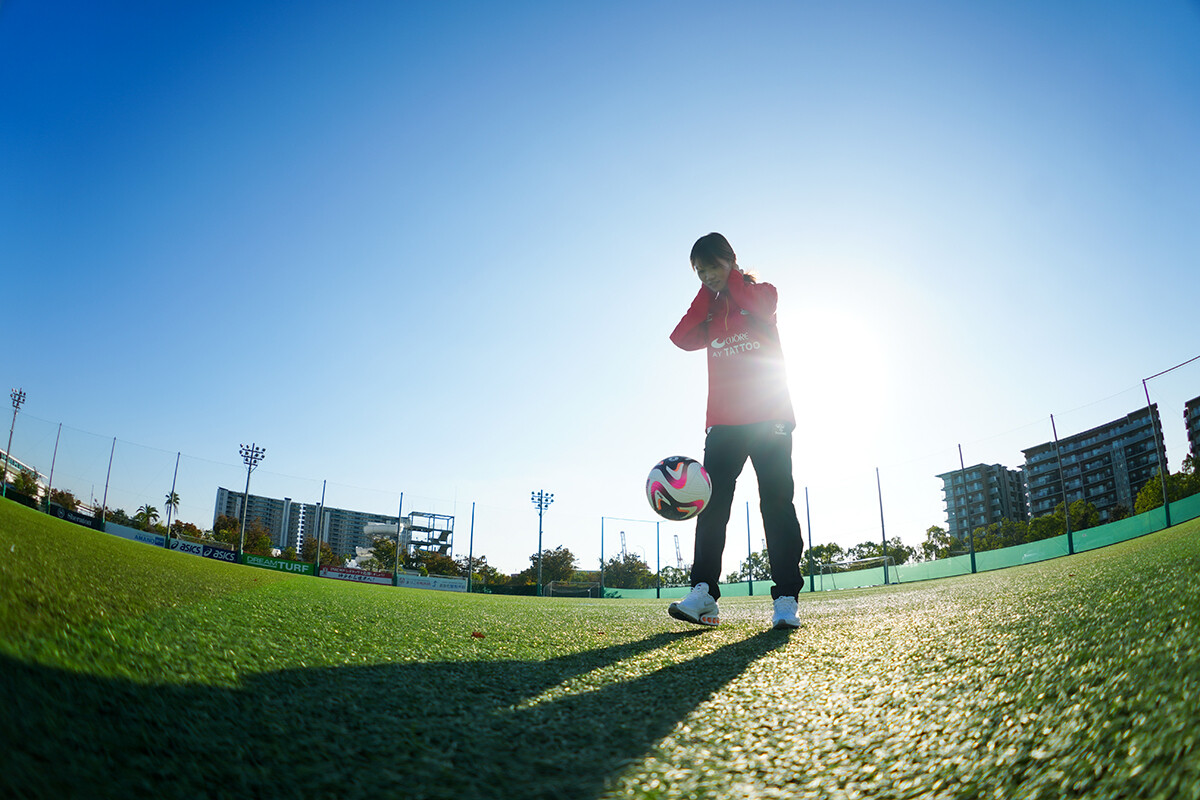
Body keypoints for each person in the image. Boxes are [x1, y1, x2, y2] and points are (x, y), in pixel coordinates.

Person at [667, 232, 804, 630]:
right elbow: (681, 338)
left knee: (777, 503)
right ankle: (704, 594)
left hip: (770, 416)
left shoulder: (762, 293)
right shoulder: (709, 309)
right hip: (724, 421)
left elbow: (754, 301)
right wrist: (708, 295)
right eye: (699, 271)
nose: (706, 276)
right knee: (712, 508)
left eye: (711, 267)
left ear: (730, 260)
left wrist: (731, 281)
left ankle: (785, 599)